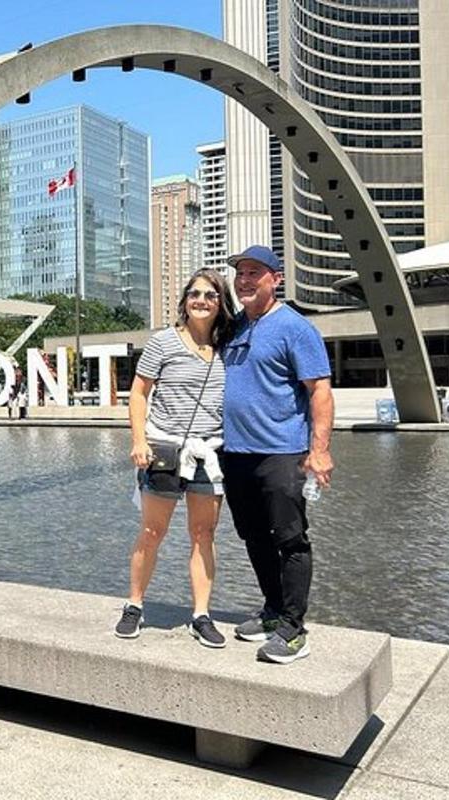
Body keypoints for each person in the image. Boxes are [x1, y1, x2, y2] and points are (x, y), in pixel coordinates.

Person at [221, 245, 334, 665]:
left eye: (255, 273)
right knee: (252, 535)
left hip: (282, 453)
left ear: (275, 279)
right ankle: (272, 610)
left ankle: (293, 628)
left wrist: (319, 451)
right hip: (236, 454)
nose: (245, 280)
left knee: (290, 539)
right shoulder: (234, 328)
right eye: (240, 274)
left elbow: (319, 391)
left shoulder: (295, 328)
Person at [117, 268, 235, 647]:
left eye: (210, 295)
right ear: (185, 300)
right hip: (165, 449)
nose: (201, 300)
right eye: (195, 294)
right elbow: (138, 393)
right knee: (153, 531)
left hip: (210, 452)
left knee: (203, 534)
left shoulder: (229, 345)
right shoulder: (163, 343)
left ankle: (201, 613)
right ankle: (134, 605)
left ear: (221, 304)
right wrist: (139, 440)